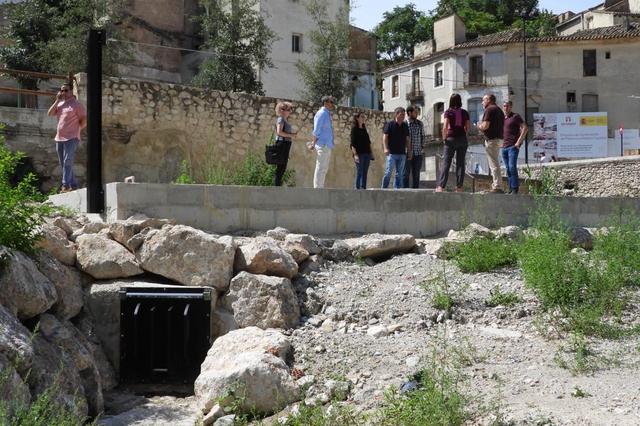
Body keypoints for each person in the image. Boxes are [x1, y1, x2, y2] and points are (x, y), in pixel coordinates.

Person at [47, 82, 86, 192]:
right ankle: (73, 184)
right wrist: (57, 100)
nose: (63, 92)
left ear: (71, 91)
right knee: (63, 163)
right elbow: (49, 113)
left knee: (67, 160)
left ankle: (66, 185)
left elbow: (84, 119)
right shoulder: (60, 104)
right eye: (62, 90)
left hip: (72, 137)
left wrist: (77, 129)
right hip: (59, 137)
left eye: (66, 90)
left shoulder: (76, 104)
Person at [436, 93, 470, 192]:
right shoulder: (465, 112)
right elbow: (468, 128)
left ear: (451, 101)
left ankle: (441, 187)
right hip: (462, 139)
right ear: (460, 101)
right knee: (460, 163)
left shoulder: (448, 112)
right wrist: (464, 135)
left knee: (446, 163)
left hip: (451, 139)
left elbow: (445, 127)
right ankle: (459, 187)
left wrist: (444, 139)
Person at [477, 94, 504, 193]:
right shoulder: (499, 110)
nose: (482, 102)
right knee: (495, 162)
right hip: (499, 139)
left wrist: (479, 125)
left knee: (493, 164)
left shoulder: (489, 109)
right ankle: (497, 185)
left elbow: (485, 125)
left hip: (492, 140)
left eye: (483, 100)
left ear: (488, 100)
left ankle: (497, 186)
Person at [501, 100, 528, 194]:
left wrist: (518, 142)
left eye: (507, 106)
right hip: (503, 147)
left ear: (511, 107)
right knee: (507, 168)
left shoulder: (515, 116)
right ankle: (510, 188)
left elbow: (525, 127)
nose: (505, 108)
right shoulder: (502, 119)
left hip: (512, 147)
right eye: (504, 106)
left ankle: (515, 188)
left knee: (512, 167)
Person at [381, 107, 411, 189]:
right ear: (396, 114)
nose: (403, 116)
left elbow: (407, 139)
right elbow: (385, 137)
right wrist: (385, 148)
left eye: (404, 115)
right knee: (388, 172)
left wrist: (409, 151)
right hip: (392, 153)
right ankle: (383, 189)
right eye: (401, 114)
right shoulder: (390, 124)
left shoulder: (405, 126)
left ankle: (396, 189)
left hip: (402, 153)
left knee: (399, 174)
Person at [309, 95, 335, 188]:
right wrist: (313, 143)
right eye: (331, 102)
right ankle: (317, 188)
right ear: (325, 103)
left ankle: (320, 187)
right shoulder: (322, 113)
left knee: (324, 168)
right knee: (320, 167)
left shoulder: (326, 113)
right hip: (322, 144)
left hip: (327, 144)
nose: (332, 104)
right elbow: (317, 129)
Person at [273, 101, 297, 186]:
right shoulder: (281, 119)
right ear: (282, 110)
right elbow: (279, 132)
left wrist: (291, 136)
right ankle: (276, 186)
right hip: (282, 144)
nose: (290, 111)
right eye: (289, 109)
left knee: (282, 166)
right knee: (281, 166)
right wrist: (291, 135)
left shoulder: (284, 119)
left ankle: (277, 185)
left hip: (285, 144)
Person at [403, 105, 425, 189]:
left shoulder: (420, 124)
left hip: (418, 153)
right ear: (410, 113)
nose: (417, 114)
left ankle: (416, 193)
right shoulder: (404, 124)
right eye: (415, 112)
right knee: (406, 174)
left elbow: (423, 136)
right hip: (406, 154)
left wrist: (422, 148)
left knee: (416, 175)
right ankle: (405, 192)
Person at [350, 112, 374, 189]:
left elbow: (368, 142)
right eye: (362, 117)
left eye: (364, 117)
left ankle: (363, 188)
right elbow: (353, 144)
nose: (363, 118)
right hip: (359, 154)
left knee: (365, 172)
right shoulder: (354, 129)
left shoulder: (364, 129)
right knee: (359, 172)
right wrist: (355, 155)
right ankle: (357, 189)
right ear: (357, 118)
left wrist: (371, 153)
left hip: (367, 154)